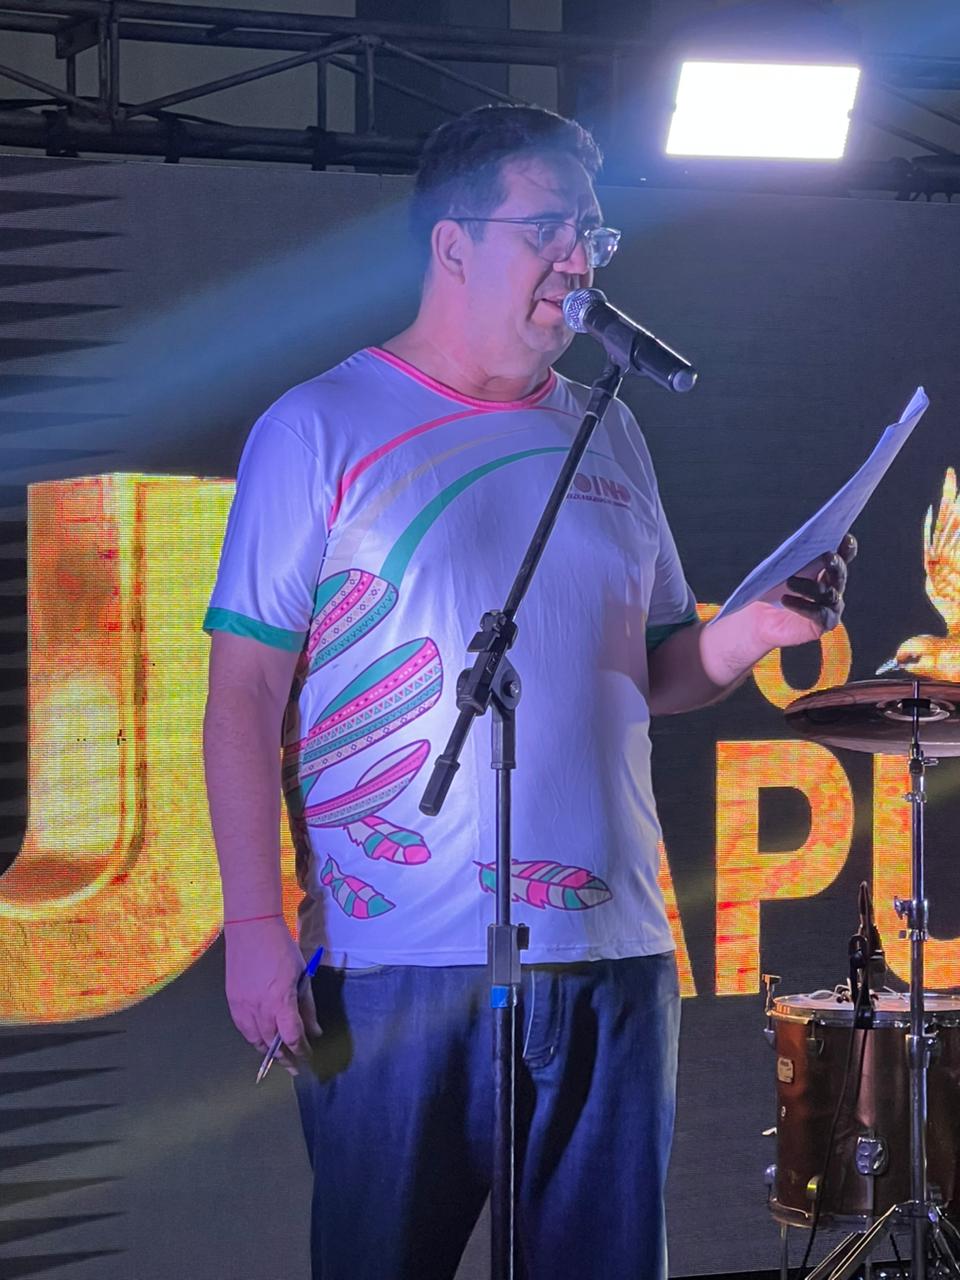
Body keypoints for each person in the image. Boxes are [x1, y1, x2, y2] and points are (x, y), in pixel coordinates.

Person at [202, 104, 853, 1280]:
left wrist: (752, 631)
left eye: (594, 233)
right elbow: (244, 690)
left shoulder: (612, 432)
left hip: (614, 952)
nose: (580, 259)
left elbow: (653, 674)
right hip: (394, 964)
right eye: (549, 227)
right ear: (453, 244)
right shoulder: (321, 426)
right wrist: (254, 925)